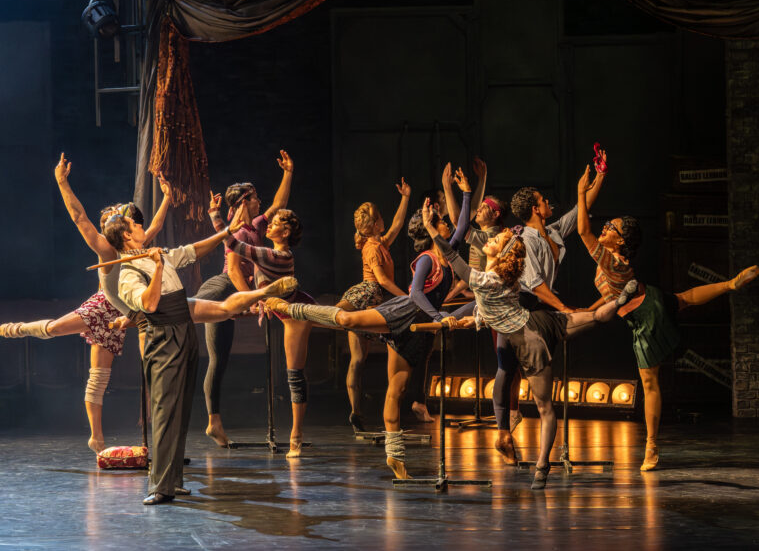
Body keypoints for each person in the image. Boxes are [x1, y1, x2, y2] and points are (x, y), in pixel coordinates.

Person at [265, 168, 473, 479]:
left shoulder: (449, 253)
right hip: (406, 311)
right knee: (347, 319)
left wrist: (464, 191)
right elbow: (415, 293)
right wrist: (440, 316)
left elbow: (463, 224)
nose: (450, 226)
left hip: (419, 330)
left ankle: (396, 458)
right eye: (444, 223)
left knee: (397, 391)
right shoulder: (428, 259)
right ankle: (294, 309)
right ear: (433, 229)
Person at [423, 187, 636, 489]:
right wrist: (466, 320)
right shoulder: (504, 278)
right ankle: (619, 300)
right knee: (591, 319)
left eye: (497, 239)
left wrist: (432, 228)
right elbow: (486, 307)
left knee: (543, 404)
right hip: (540, 320)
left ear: (502, 252)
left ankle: (538, 462)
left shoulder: (489, 278)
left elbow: (456, 258)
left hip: (528, 333)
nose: (496, 237)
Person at [105, 206, 296, 506]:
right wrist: (155, 267)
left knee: (180, 410)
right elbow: (150, 304)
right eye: (134, 224)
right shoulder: (128, 274)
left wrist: (225, 233)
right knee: (165, 412)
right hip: (164, 338)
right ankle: (159, 486)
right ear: (128, 236)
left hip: (183, 326)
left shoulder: (159, 253)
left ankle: (173, 481)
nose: (141, 226)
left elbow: (193, 250)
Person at [575, 164, 759, 471]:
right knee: (683, 299)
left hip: (647, 318)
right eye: (607, 224)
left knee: (649, 383)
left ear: (621, 242)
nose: (605, 228)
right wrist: (590, 308)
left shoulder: (612, 260)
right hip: (649, 298)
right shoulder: (612, 263)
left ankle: (652, 447)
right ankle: (729, 284)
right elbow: (612, 293)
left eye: (611, 227)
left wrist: (582, 192)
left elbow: (583, 230)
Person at [0, 153, 172, 454]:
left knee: (99, 378)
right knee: (55, 328)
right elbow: (80, 218)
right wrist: (62, 182)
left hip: (124, 315)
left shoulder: (137, 244)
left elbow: (154, 226)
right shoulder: (107, 250)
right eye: (113, 221)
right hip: (103, 307)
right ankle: (22, 328)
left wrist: (166, 197)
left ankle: (97, 437)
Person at [488, 155, 607, 458]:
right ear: (534, 209)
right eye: (543, 201)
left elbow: (582, 210)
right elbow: (537, 284)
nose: (548, 203)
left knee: (515, 368)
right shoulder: (523, 241)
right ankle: (502, 431)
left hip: (538, 306)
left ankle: (511, 424)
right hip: (515, 305)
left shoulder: (550, 231)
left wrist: (599, 177)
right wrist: (564, 308)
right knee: (506, 367)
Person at [196, 150, 294, 448]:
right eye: (254, 198)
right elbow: (236, 270)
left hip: (236, 291)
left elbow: (279, 205)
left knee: (220, 359)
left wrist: (288, 173)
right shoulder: (236, 229)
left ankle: (214, 424)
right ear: (243, 203)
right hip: (223, 286)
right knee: (211, 349)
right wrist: (251, 298)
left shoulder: (256, 225)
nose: (259, 201)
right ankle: (213, 421)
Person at [212, 197, 312, 458]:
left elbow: (233, 244)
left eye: (275, 224)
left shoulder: (276, 256)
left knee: (294, 374)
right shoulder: (270, 253)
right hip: (278, 307)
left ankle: (296, 435)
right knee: (293, 374)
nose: (268, 227)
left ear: (285, 232)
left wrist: (216, 216)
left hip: (294, 312)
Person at [339, 179, 411, 432]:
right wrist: (407, 298)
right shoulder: (372, 248)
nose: (384, 220)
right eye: (380, 217)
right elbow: (381, 281)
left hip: (372, 298)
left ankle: (356, 412)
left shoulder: (380, 242)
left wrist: (405, 197)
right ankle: (359, 411)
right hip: (369, 296)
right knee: (358, 353)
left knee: (358, 359)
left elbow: (398, 224)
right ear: (375, 223)